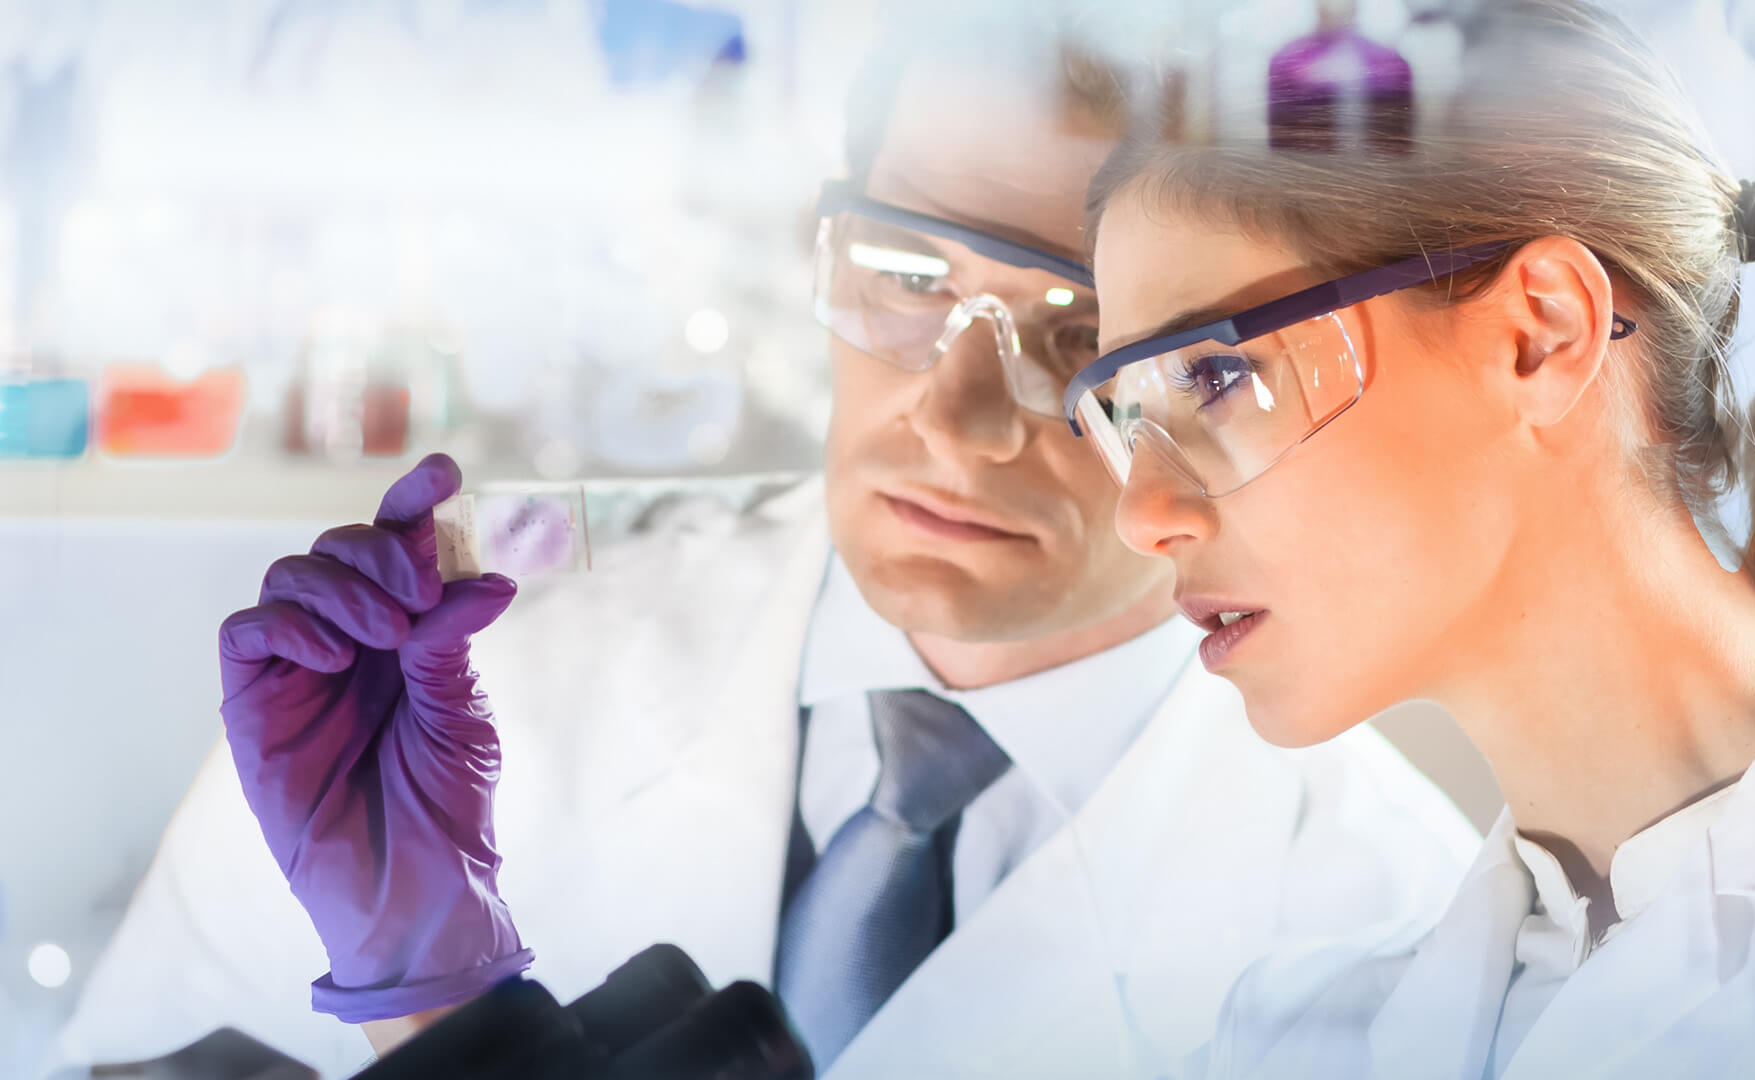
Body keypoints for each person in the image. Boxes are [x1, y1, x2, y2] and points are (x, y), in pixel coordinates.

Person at [45, 17, 1479, 1080]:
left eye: (1093, 334)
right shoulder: (475, 689)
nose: (960, 420)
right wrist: (425, 999)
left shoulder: (1406, 946)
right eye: (910, 274)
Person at [1065, 0, 1755, 1075]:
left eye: (1220, 377)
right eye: (1123, 414)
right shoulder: (1289, 1037)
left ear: (1540, 335)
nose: (1142, 515)